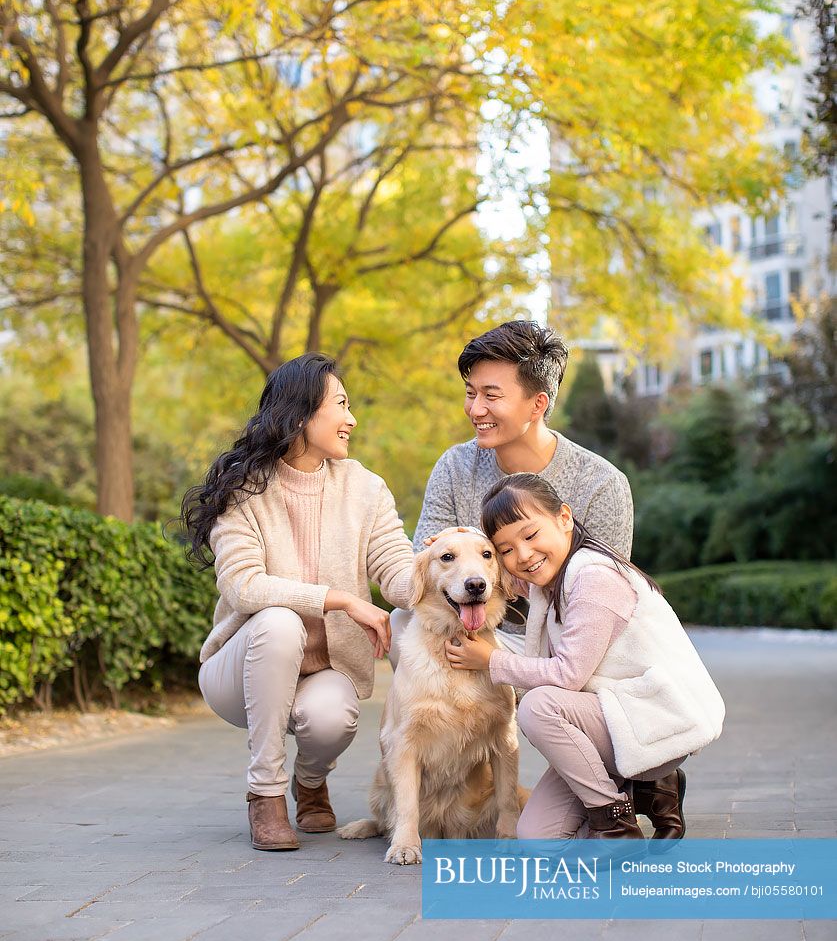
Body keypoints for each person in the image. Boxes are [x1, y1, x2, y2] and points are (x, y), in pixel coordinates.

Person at [180, 353, 414, 852]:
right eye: (341, 405)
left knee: (332, 717)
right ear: (302, 414)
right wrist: (341, 600)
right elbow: (243, 586)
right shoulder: (245, 489)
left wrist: (451, 571)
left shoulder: (365, 489)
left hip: (326, 668)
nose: (352, 419)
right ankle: (265, 795)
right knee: (280, 623)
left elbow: (395, 567)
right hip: (236, 670)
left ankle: (310, 781)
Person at [445, 474, 725, 841]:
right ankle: (652, 787)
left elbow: (569, 675)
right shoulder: (548, 578)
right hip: (616, 719)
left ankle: (615, 823)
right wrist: (456, 548)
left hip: (656, 718)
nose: (523, 555)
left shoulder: (594, 577)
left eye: (530, 536)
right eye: (506, 550)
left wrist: (491, 660)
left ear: (564, 518)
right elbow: (489, 574)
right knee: (538, 839)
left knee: (538, 707)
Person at [390, 319, 633, 661]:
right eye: (471, 393)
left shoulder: (600, 484)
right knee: (402, 622)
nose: (476, 410)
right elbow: (427, 573)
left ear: (537, 404)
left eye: (491, 395)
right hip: (468, 631)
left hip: (562, 646)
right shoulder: (454, 467)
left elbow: (606, 603)